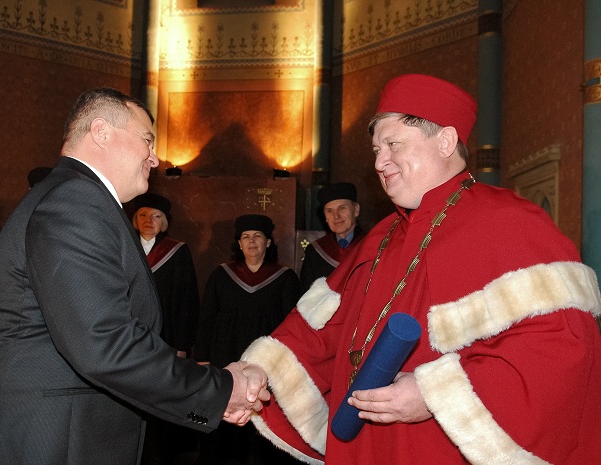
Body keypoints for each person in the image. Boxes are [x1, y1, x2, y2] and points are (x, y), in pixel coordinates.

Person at [240, 74, 601, 464]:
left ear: (445, 141)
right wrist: (257, 370)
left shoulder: (511, 222)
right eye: (376, 149)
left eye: (393, 145)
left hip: (437, 449)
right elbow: (321, 330)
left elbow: (561, 353)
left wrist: (435, 394)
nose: (379, 163)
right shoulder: (380, 237)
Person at [0, 88, 268, 465]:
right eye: (147, 140)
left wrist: (211, 397)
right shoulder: (75, 203)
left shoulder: (78, 199)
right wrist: (222, 389)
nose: (155, 157)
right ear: (102, 132)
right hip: (45, 441)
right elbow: (105, 343)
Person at [196, 214, 301, 465]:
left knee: (265, 429)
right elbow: (207, 319)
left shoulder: (285, 278)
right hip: (225, 355)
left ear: (268, 242)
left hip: (268, 363)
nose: (251, 242)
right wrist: (202, 359)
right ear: (239, 244)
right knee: (226, 423)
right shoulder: (221, 275)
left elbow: (293, 325)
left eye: (257, 236)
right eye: (246, 237)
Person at [131, 192, 201, 464]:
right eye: (143, 215)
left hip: (166, 339)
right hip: (129, 339)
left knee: (161, 399)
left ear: (165, 222)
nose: (149, 220)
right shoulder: (123, 246)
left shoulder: (177, 252)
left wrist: (181, 345)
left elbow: (186, 301)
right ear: (134, 219)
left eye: (156, 216)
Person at [299, 182, 365, 293]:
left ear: (356, 210)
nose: (336, 216)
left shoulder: (373, 246)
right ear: (325, 217)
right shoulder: (315, 251)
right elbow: (307, 296)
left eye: (342, 208)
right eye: (329, 211)